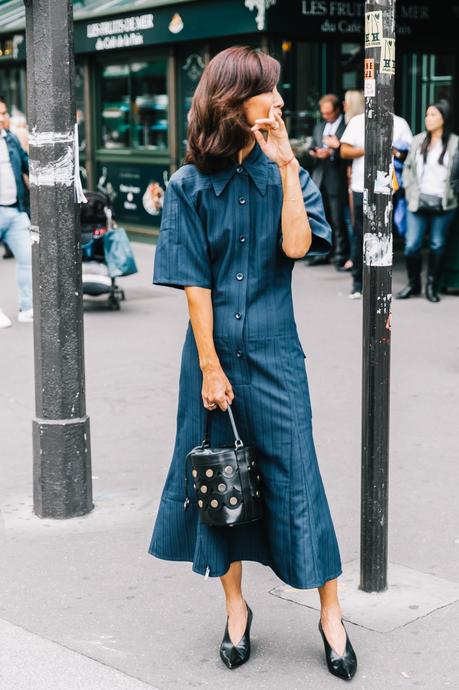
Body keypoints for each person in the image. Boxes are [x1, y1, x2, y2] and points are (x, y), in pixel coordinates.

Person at [148, 47, 357, 681]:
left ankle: (330, 615)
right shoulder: (188, 186)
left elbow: (298, 244)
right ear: (233, 101)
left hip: (276, 357)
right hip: (214, 361)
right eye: (266, 91)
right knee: (223, 486)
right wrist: (211, 368)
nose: (278, 101)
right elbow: (195, 287)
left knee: (298, 481)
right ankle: (236, 611)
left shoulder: (284, 173)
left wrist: (289, 167)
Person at [340, 110, 413, 298]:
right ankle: (358, 283)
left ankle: (380, 283)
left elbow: (409, 156)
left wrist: (393, 151)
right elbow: (344, 151)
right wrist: (371, 148)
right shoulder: (357, 122)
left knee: (384, 235)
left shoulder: (400, 123)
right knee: (360, 234)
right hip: (360, 186)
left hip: (388, 187)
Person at [396, 101, 458, 303]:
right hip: (417, 200)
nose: (428, 119)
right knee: (412, 245)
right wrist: (408, 189)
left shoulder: (455, 143)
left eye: (433, 115)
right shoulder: (417, 141)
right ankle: (414, 284)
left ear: (443, 118)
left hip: (444, 201)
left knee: (437, 244)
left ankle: (432, 286)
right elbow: (407, 168)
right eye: (427, 115)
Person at [0, 95, 33, 329]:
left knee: (28, 258)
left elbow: (28, 165)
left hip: (16, 211)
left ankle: (28, 307)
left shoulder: (10, 139)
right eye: (0, 114)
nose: (4, 118)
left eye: (4, 113)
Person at [307, 94, 349, 268]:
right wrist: (314, 152)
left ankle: (340, 254)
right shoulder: (319, 127)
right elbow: (312, 146)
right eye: (323, 113)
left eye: (329, 113)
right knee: (321, 218)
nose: (325, 116)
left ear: (337, 110)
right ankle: (323, 252)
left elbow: (348, 152)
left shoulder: (346, 127)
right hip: (320, 177)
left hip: (336, 177)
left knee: (338, 219)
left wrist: (332, 152)